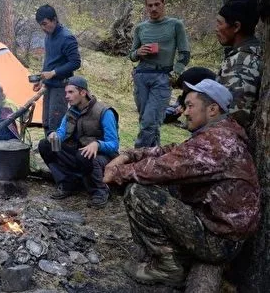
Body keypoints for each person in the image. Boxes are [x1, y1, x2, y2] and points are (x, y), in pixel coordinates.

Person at [103, 79, 260, 288]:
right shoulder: (218, 133)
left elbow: (162, 168)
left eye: (190, 106)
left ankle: (168, 267)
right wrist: (130, 155)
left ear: (212, 109)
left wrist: (117, 173)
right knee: (156, 185)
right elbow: (173, 152)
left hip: (220, 241)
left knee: (138, 192)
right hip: (218, 227)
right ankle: (169, 255)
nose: (185, 112)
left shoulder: (218, 143)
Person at [38, 76, 119, 208]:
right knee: (45, 145)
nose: (66, 96)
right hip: (77, 152)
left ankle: (100, 190)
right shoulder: (71, 111)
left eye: (71, 92)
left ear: (83, 92)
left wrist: (97, 144)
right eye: (65, 93)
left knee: (85, 154)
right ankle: (67, 182)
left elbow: (114, 144)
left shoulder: (104, 112)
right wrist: (54, 136)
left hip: (102, 156)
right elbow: (61, 133)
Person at [128, 0, 190, 148]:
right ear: (146, 7)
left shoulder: (175, 25)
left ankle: (137, 154)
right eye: (150, 5)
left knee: (150, 120)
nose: (154, 8)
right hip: (141, 75)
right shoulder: (140, 28)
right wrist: (138, 52)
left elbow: (185, 53)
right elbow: (132, 55)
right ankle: (153, 157)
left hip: (162, 77)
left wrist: (175, 74)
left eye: (157, 4)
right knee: (147, 120)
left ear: (163, 4)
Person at [215, 0, 262, 130]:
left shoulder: (242, 63)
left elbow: (234, 120)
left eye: (219, 23)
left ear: (236, 27)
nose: (216, 28)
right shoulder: (255, 51)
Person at [33, 5, 82, 136]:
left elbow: (75, 62)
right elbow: (50, 61)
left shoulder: (66, 37)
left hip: (61, 87)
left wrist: (53, 73)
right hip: (49, 86)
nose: (43, 28)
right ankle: (48, 150)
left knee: (56, 123)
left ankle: (57, 153)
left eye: (45, 24)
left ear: (54, 19)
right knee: (46, 122)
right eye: (41, 25)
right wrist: (41, 79)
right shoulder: (48, 36)